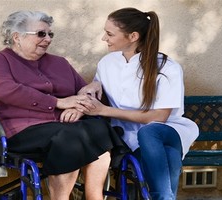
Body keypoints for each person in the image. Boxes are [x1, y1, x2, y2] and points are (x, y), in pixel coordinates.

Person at [0, 10, 118, 200]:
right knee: (71, 137)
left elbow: (82, 91)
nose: (48, 39)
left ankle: (94, 196)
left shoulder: (59, 63)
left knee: (99, 128)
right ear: (16, 37)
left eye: (50, 34)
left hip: (65, 127)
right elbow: (4, 90)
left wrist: (82, 101)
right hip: (22, 129)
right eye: (41, 34)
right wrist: (58, 102)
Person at [78, 7, 199, 200]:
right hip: (127, 137)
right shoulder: (107, 63)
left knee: (149, 131)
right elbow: (99, 83)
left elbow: (159, 117)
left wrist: (106, 110)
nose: (104, 38)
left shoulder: (167, 67)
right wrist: (91, 86)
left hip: (167, 130)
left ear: (133, 36)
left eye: (109, 34)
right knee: (168, 155)